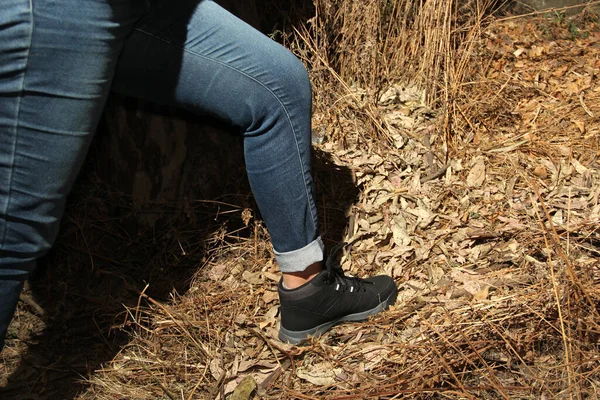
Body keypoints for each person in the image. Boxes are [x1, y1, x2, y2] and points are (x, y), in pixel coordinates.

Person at [0, 0, 397, 348]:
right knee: (16, 229)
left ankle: (309, 292)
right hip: (58, 11)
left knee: (277, 86)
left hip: (141, 6)